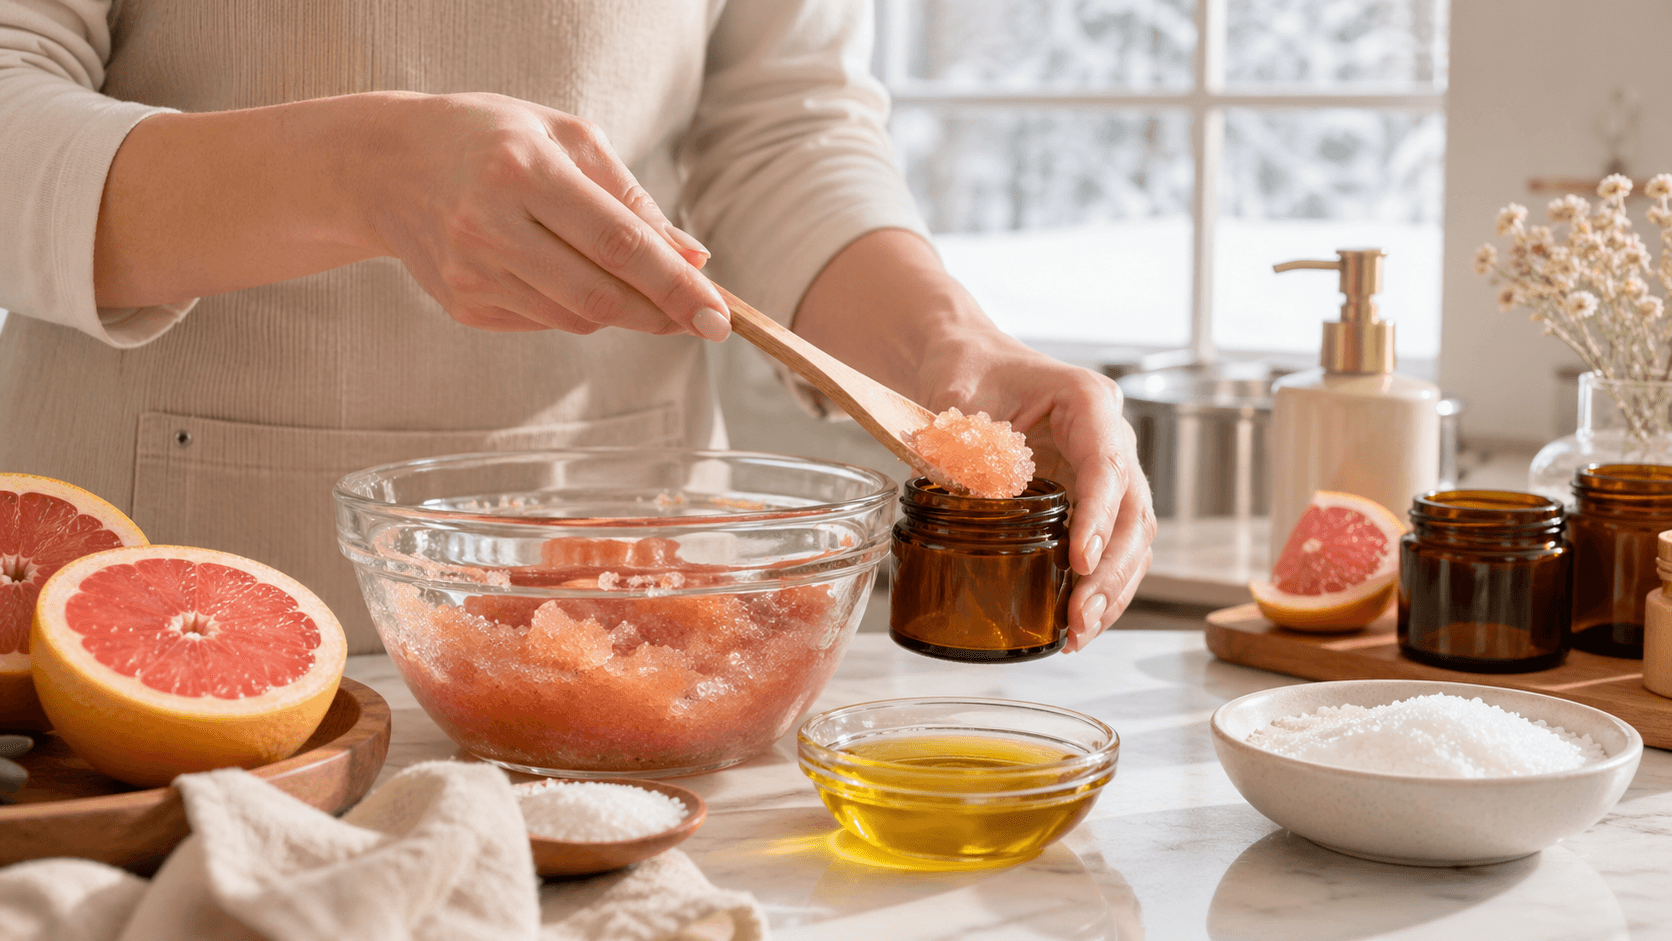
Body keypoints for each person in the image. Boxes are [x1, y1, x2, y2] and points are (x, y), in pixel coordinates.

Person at [0, 0, 1154, 653]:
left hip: (633, 613)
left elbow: (781, 130)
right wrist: (362, 173)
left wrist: (953, 354)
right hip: (164, 599)